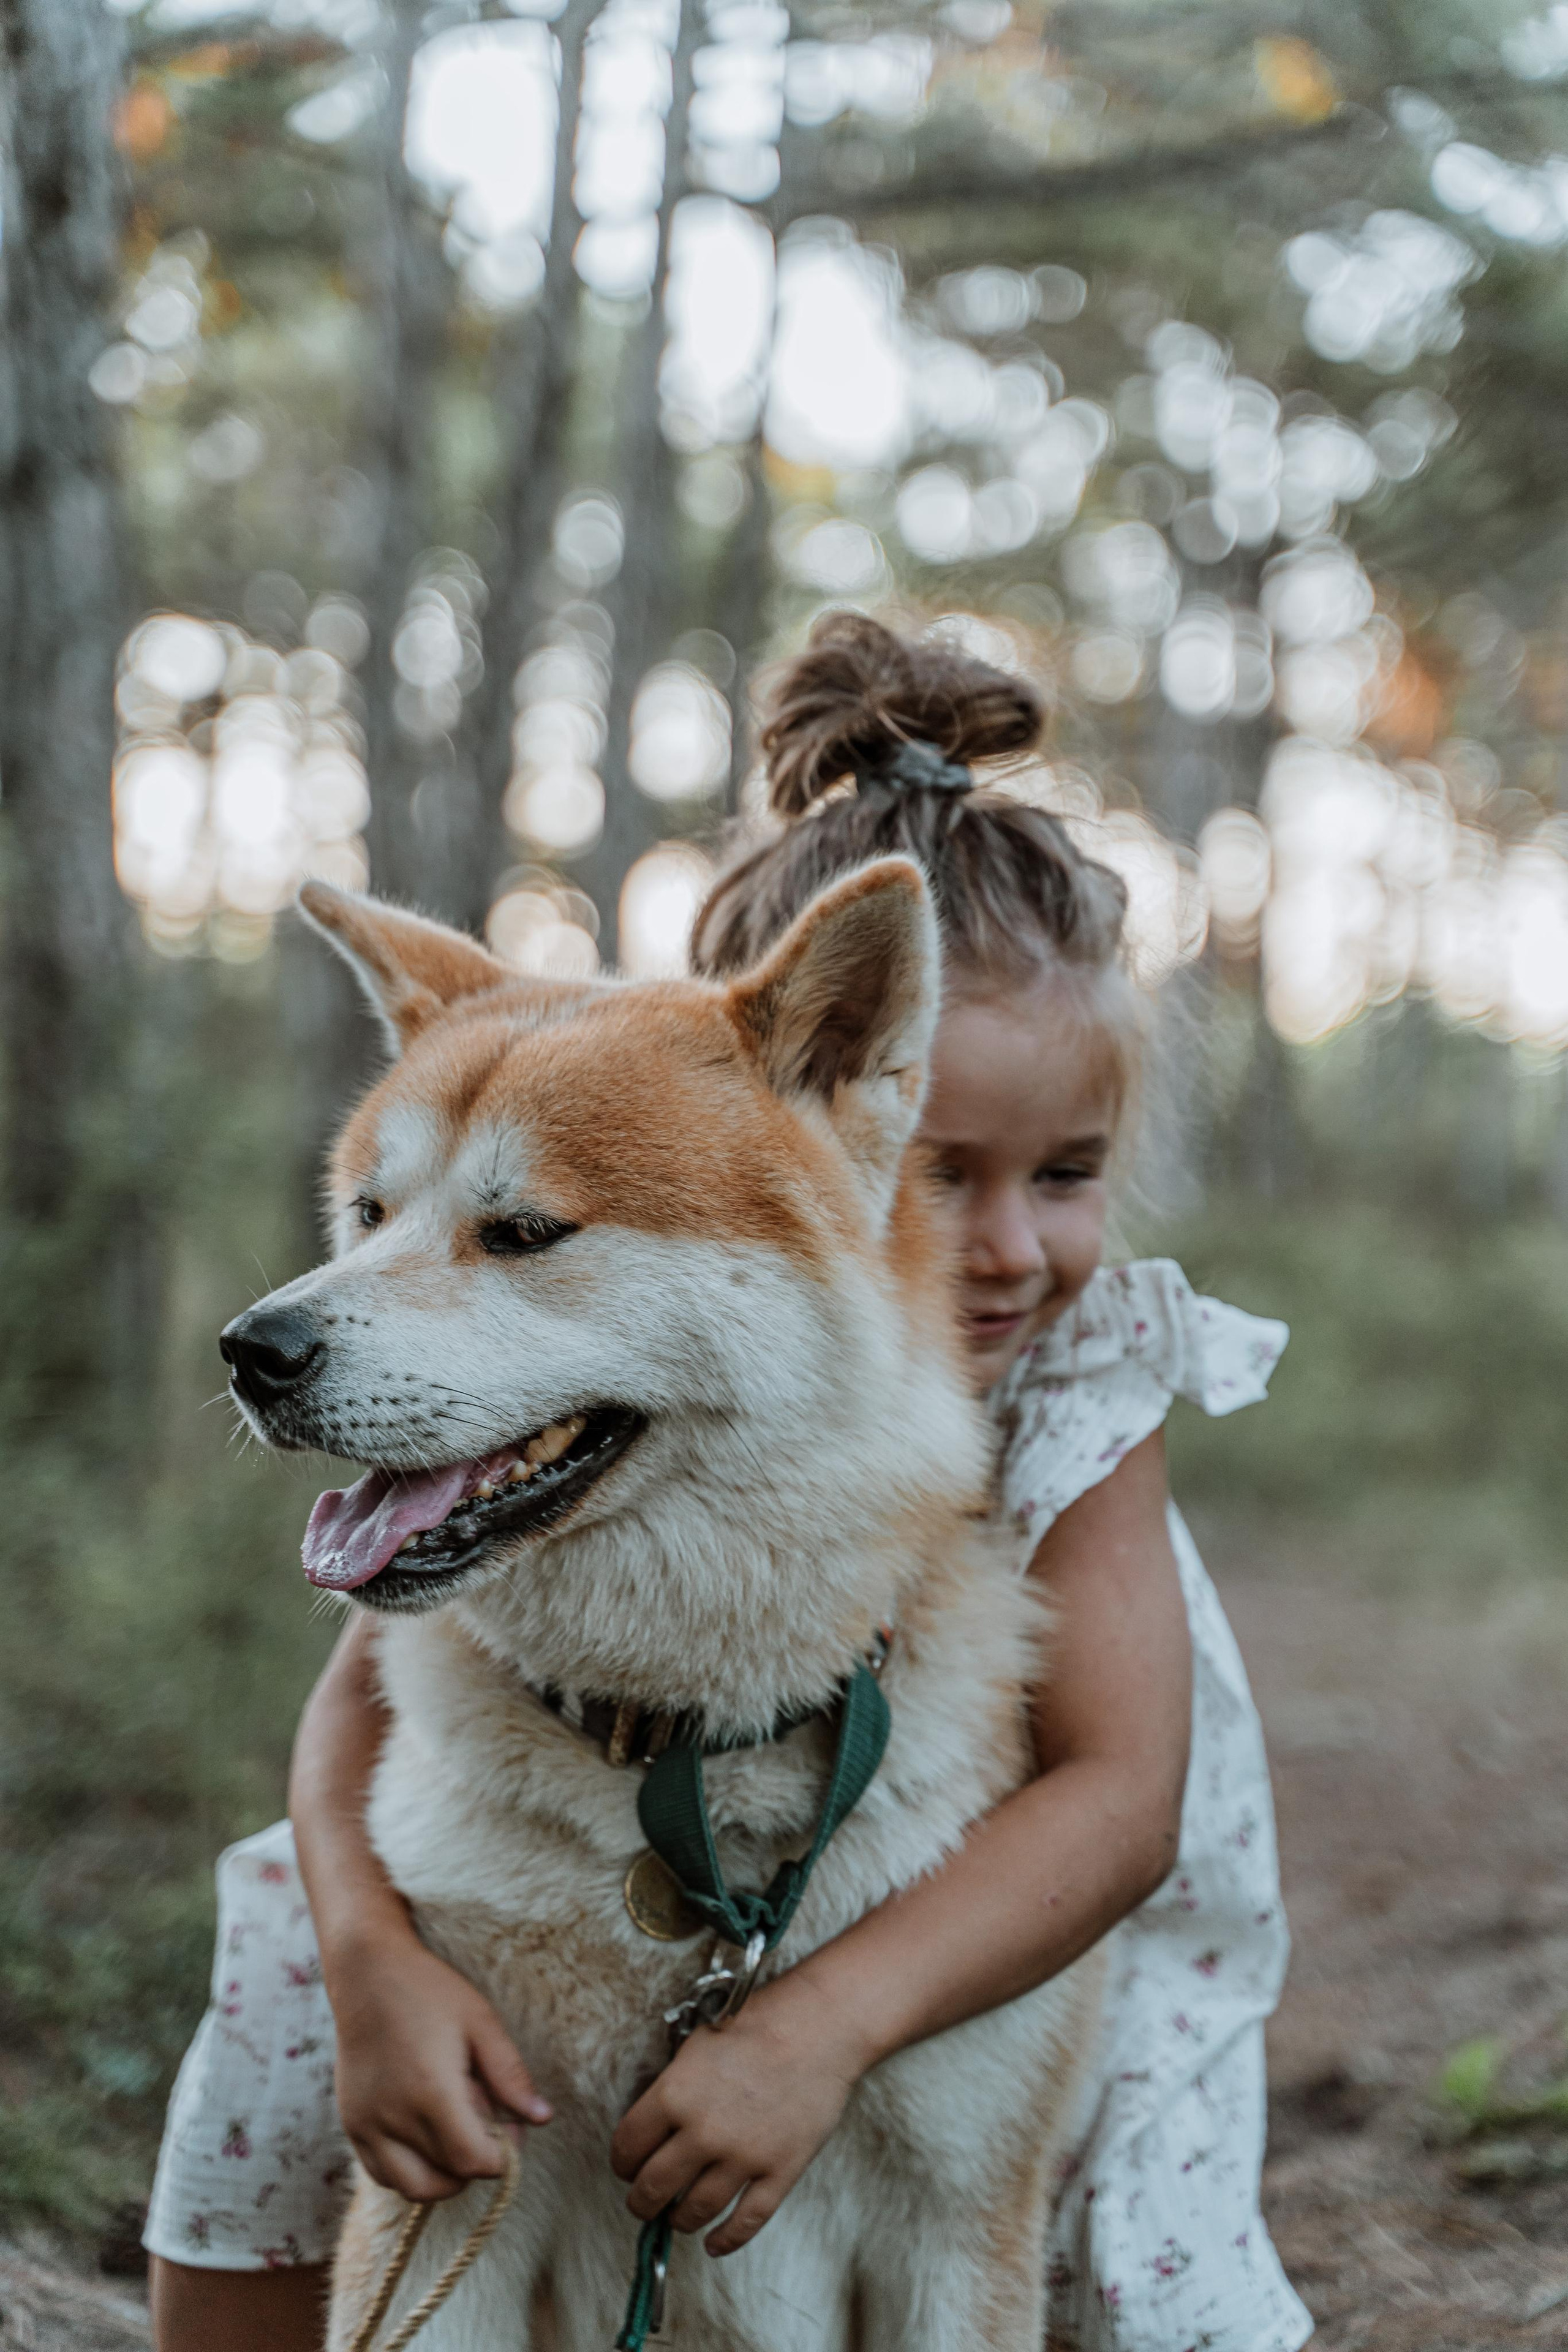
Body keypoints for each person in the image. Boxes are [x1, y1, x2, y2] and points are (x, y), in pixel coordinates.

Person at [145, 612, 1312, 2352]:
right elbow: (356, 1708)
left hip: (995, 1896)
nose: (976, 1248)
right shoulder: (478, 1502)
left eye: (1060, 1177)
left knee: (1084, 2146)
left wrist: (821, 2027)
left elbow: (1123, 1800)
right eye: (375, 1217)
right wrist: (368, 1954)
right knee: (292, 1927)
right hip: (554, 1788)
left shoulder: (1085, 1388)